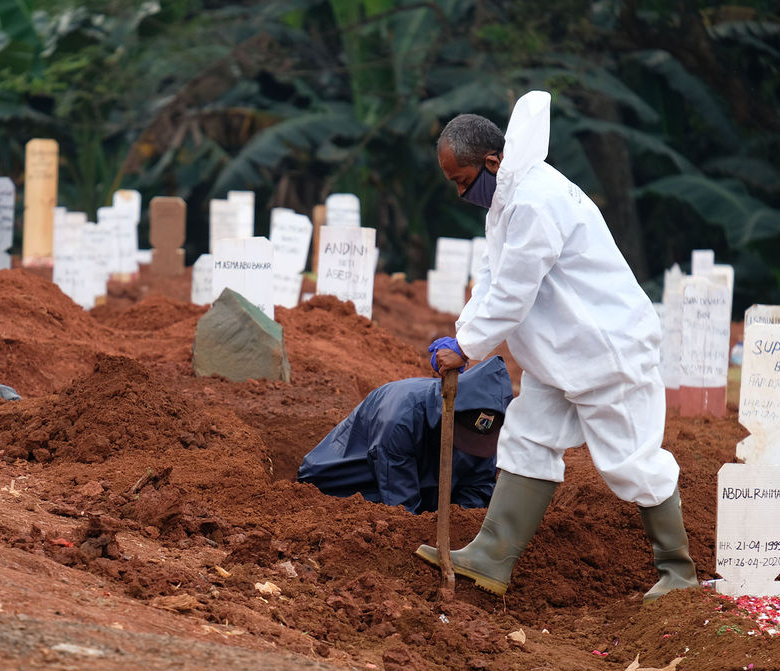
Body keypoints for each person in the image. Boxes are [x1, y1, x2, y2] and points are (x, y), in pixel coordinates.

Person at [415, 91, 698, 602]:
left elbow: (515, 291)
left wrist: (469, 346)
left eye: (461, 182)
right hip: (560, 353)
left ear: (492, 161)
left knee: (631, 460)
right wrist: (462, 333)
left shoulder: (535, 200)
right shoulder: (505, 202)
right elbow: (492, 278)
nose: (460, 194)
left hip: (604, 349)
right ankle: (491, 556)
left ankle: (678, 573)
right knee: (527, 437)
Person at [298, 356, 512, 514]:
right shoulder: (401, 418)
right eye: (465, 436)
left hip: (421, 483)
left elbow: (478, 485)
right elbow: (400, 505)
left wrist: (459, 520)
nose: (472, 446)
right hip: (347, 482)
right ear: (451, 414)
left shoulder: (487, 430)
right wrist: (420, 530)